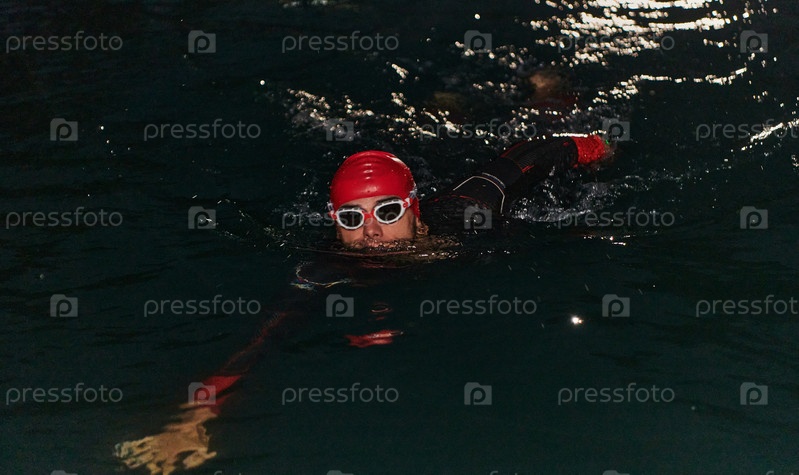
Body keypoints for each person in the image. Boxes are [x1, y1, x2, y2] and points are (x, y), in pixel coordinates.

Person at [328, 134, 613, 248]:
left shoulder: (472, 224)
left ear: (416, 216)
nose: (370, 231)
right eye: (352, 217)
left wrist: (599, 147)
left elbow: (536, 154)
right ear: (336, 227)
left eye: (388, 212)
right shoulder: (331, 262)